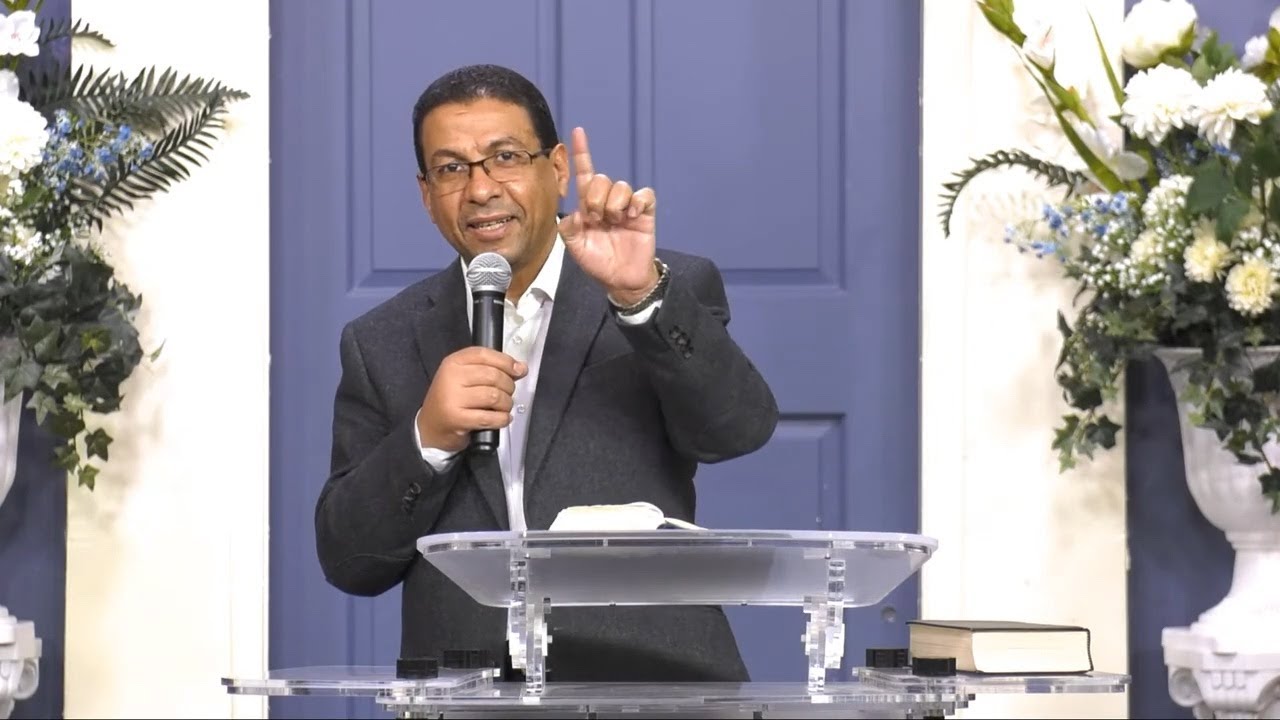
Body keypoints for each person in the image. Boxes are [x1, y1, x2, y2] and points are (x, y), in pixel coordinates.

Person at [314, 63, 779, 683]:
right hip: (469, 695)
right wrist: (428, 439)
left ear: (557, 169)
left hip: (649, 683)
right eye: (451, 169)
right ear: (426, 194)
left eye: (505, 157)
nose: (480, 189)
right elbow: (350, 560)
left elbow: (738, 429)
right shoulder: (381, 341)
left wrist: (638, 298)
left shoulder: (657, 284)